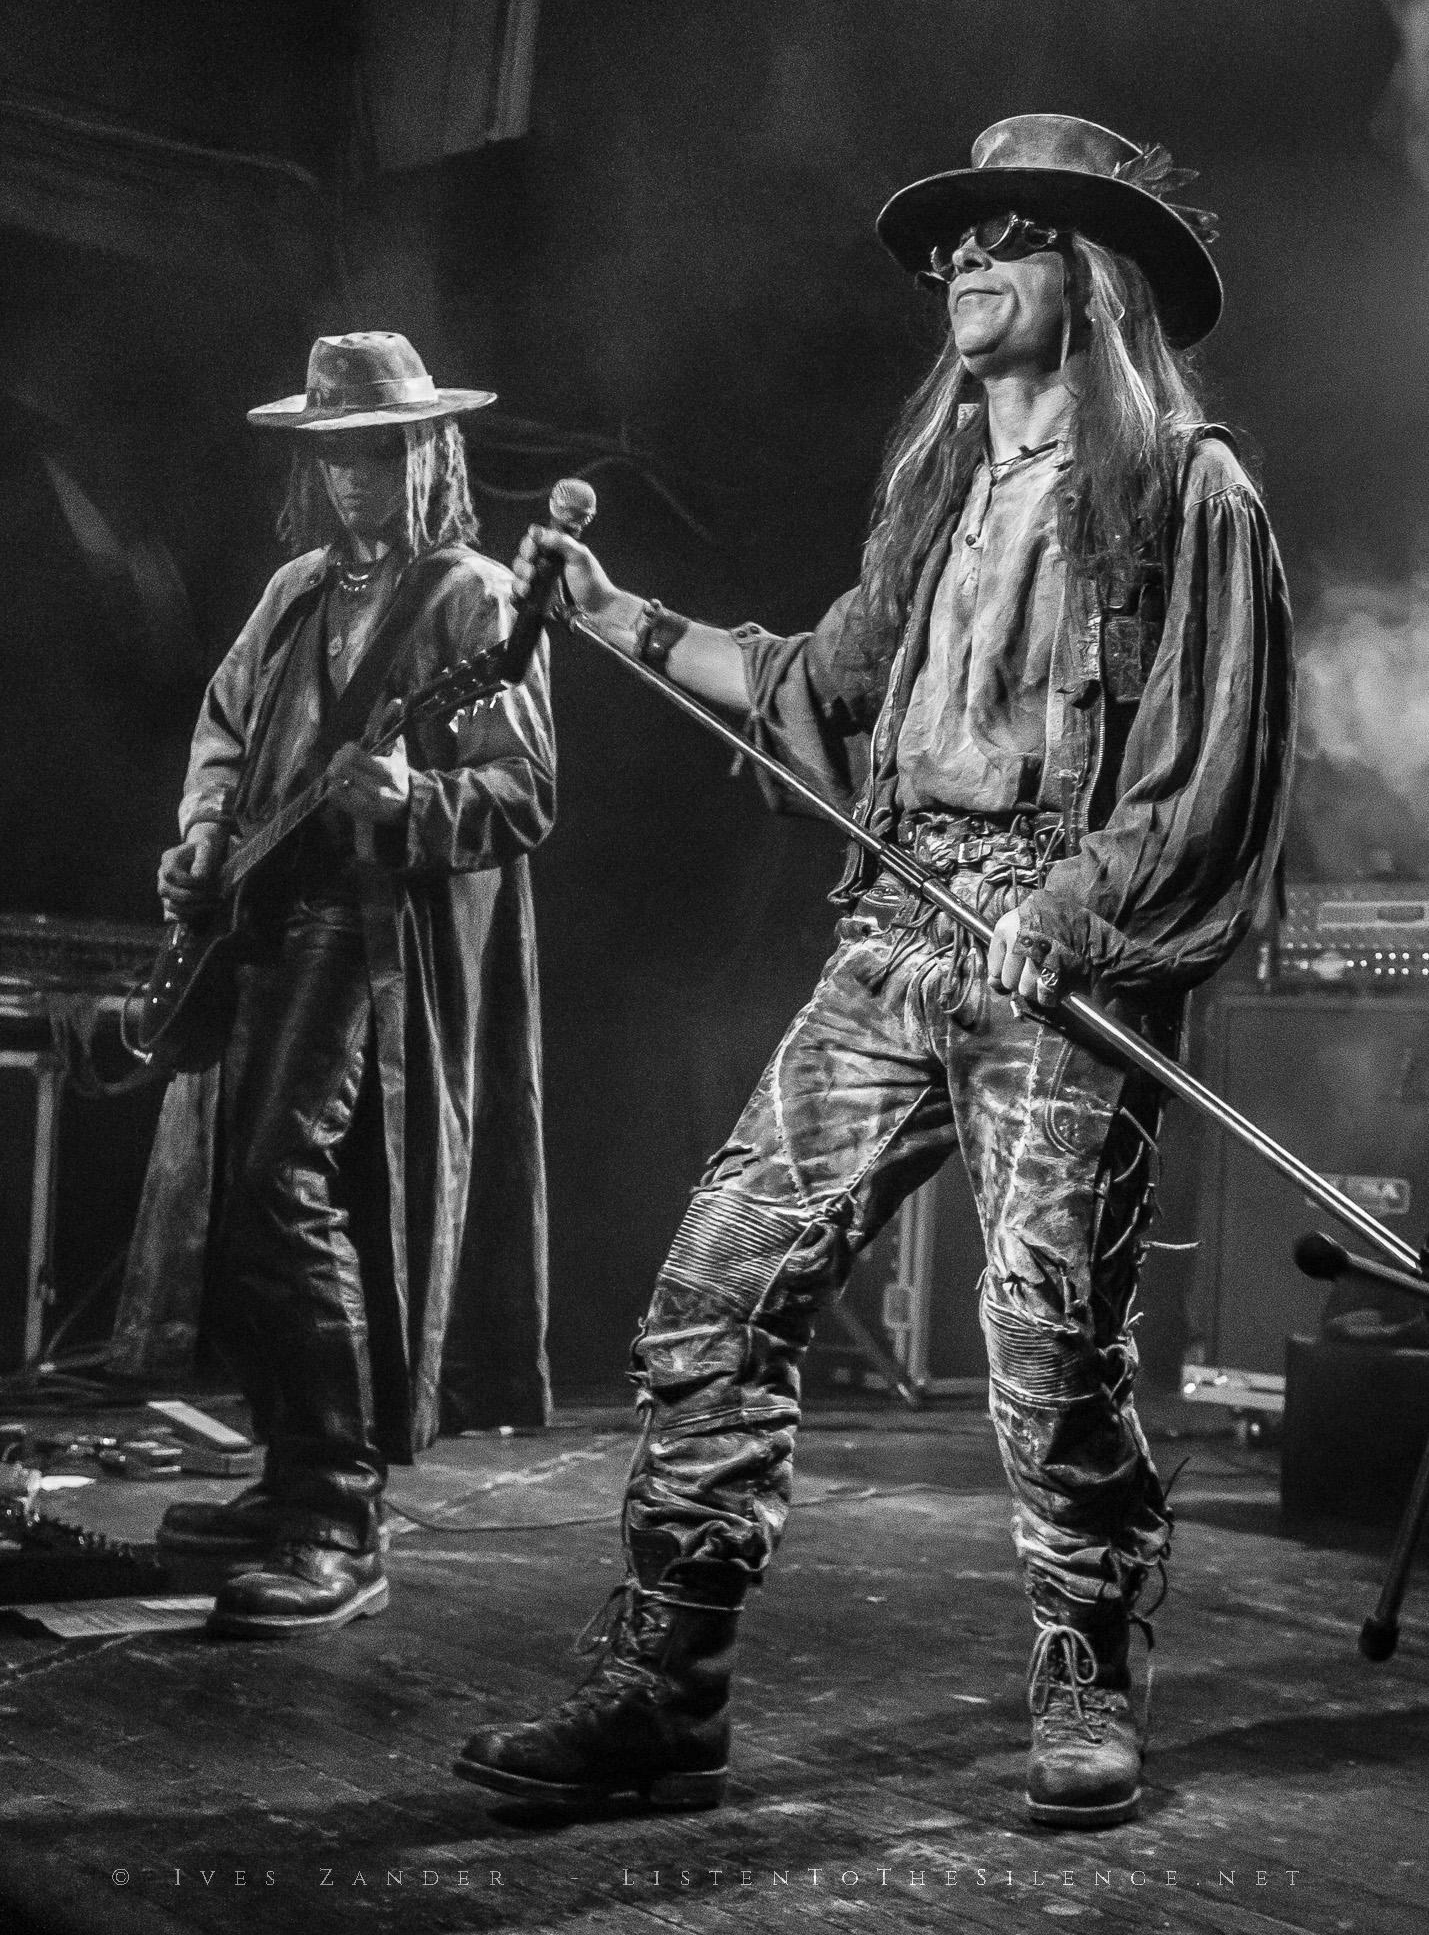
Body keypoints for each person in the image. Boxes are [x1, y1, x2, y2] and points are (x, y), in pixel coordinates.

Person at [454, 116, 1295, 1826]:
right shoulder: (940, 498)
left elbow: (1206, 769)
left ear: (1092, 276)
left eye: (1006, 238)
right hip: (891, 951)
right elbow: (811, 688)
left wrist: (1066, 908)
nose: (961, 267)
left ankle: (1084, 1676)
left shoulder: (1183, 490)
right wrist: (613, 614)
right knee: (714, 1288)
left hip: (1055, 971)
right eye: (951, 246)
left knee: (1048, 1340)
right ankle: (664, 1687)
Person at [146, 331, 556, 1637]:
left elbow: (525, 793)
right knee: (239, 1199)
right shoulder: (290, 595)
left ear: (422, 449)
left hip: (367, 928)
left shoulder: (476, 600)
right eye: (332, 457)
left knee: (283, 1183)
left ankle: (336, 1514)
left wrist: (413, 794)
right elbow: (223, 735)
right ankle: (287, 1473)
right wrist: (204, 831)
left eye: (375, 453)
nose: (351, 482)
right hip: (263, 920)